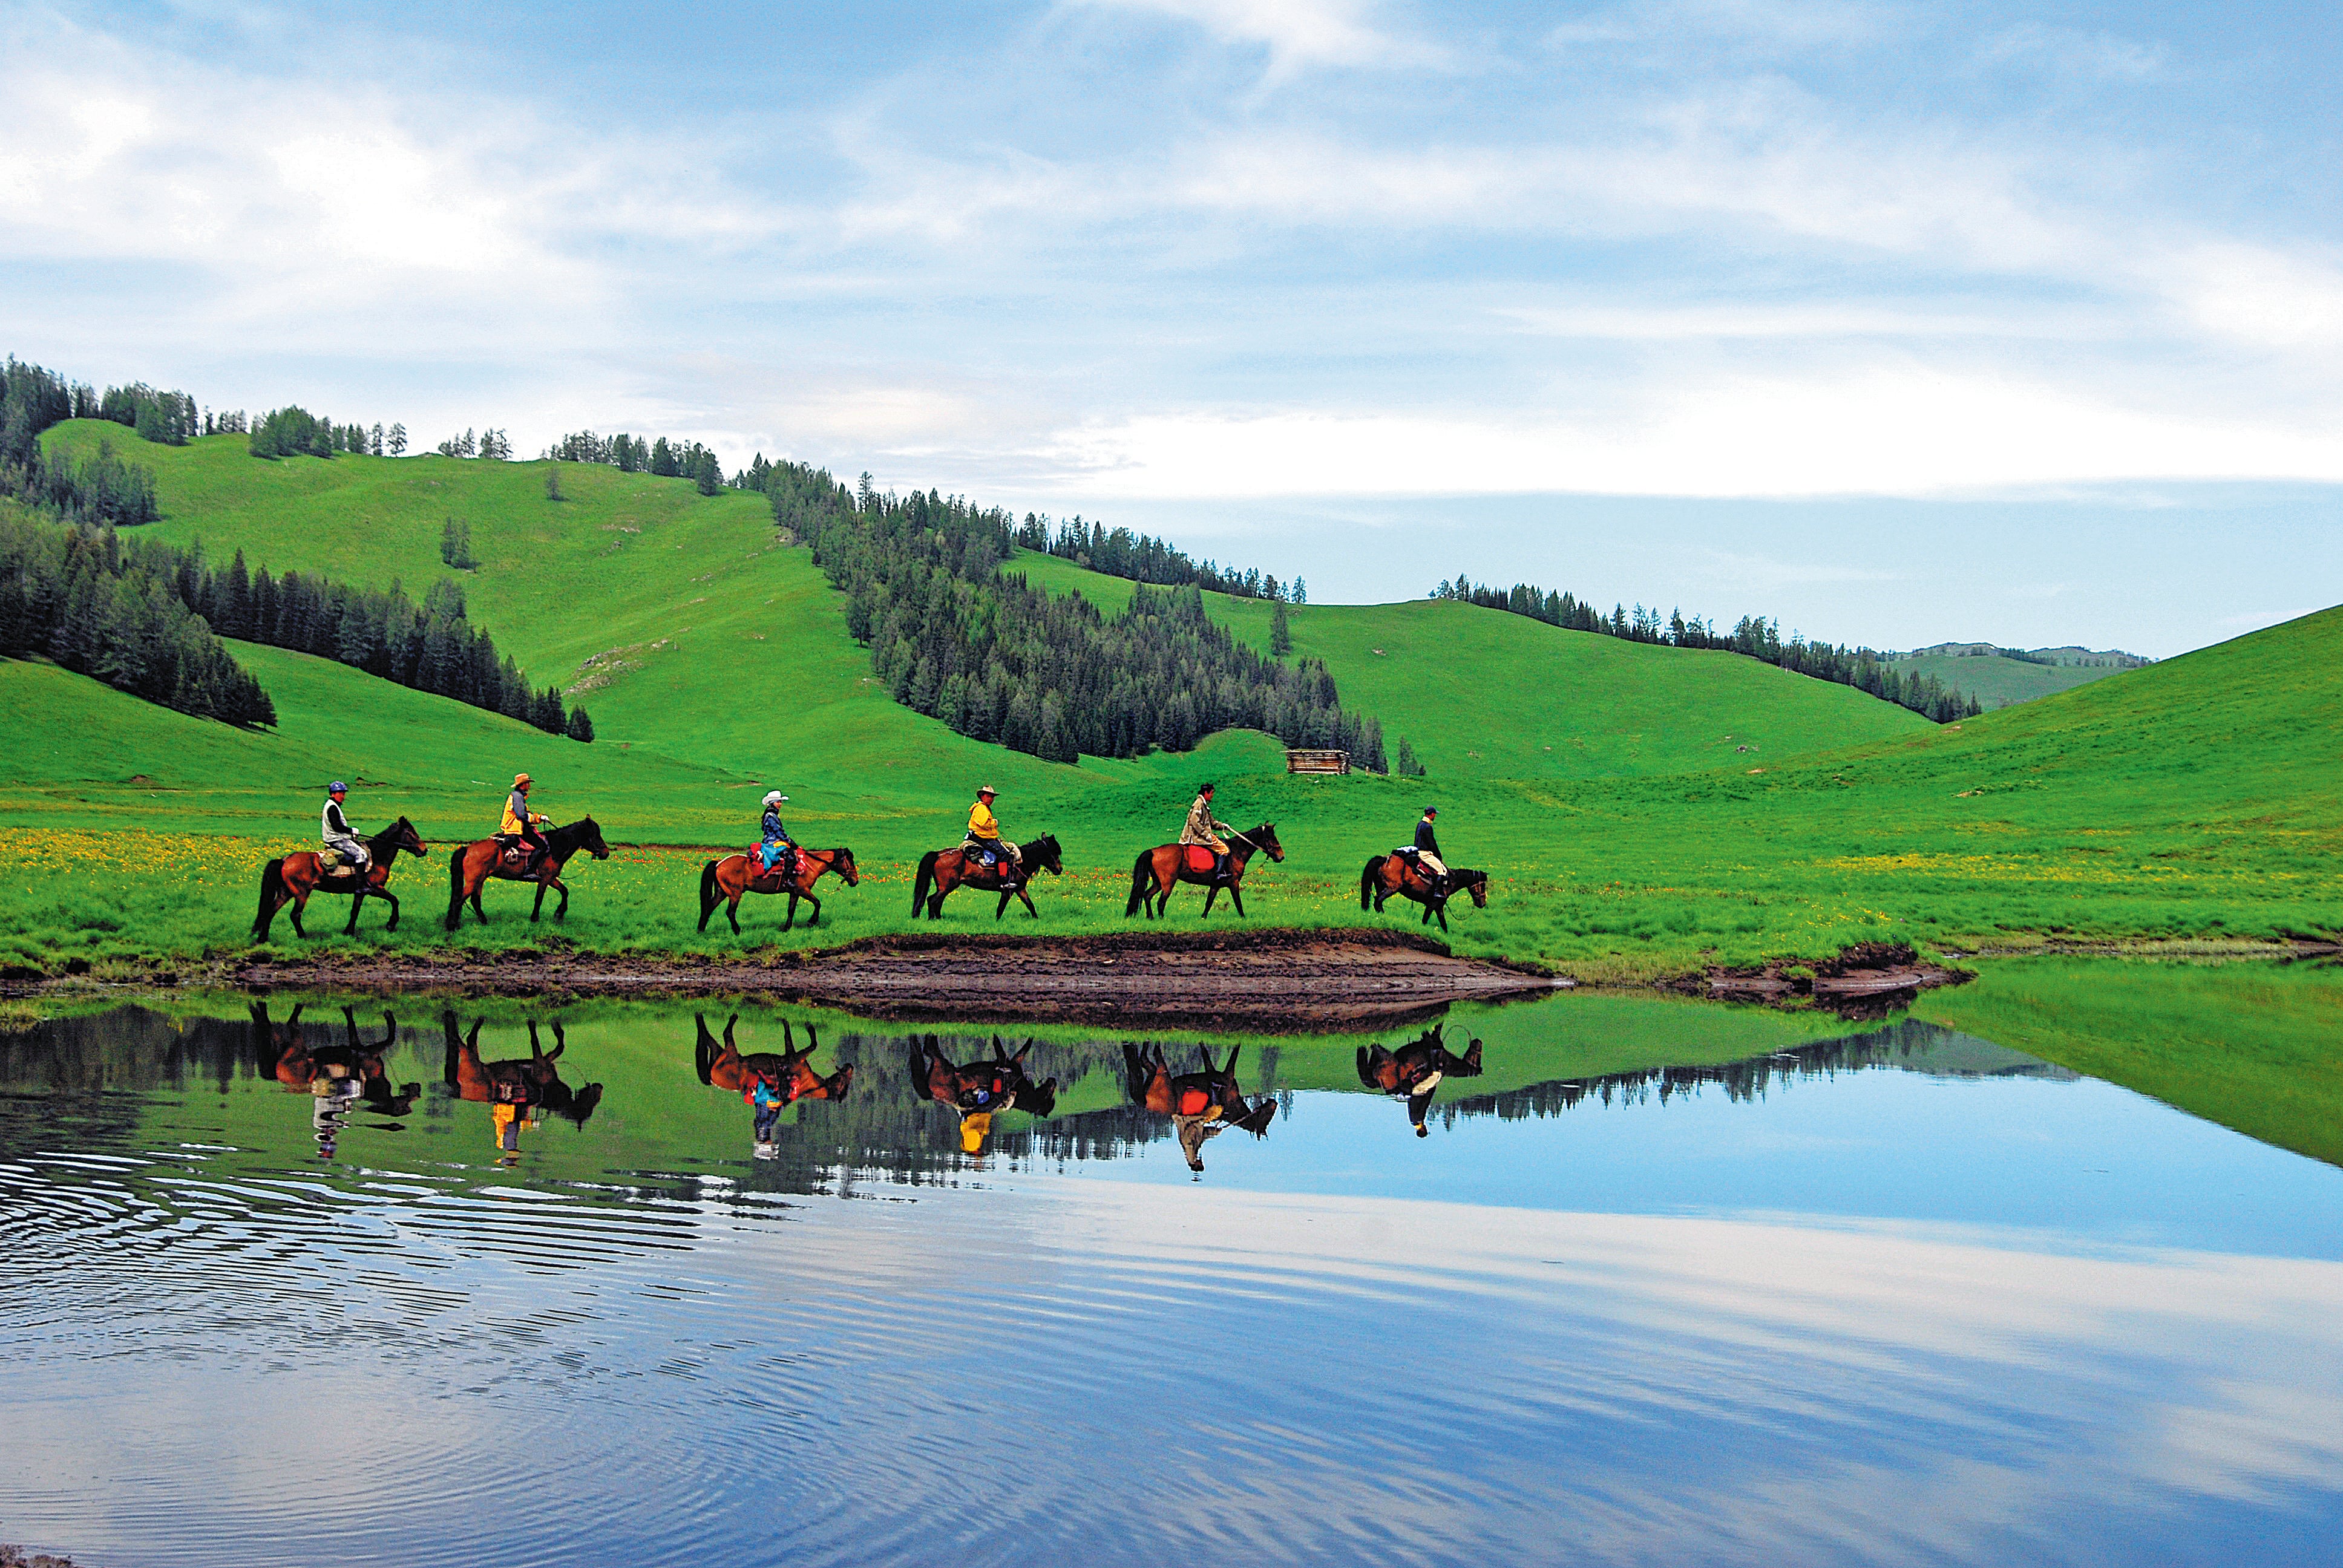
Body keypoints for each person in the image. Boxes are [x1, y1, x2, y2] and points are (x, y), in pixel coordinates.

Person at [964, 785, 1021, 884]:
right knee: (1004, 854)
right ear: (982, 796)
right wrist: (994, 823)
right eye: (989, 796)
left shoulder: (984, 808)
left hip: (984, 836)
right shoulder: (981, 808)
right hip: (981, 837)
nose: (991, 799)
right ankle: (1004, 879)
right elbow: (984, 824)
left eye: (992, 797)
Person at [1181, 781, 1234, 883]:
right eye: (1211, 793)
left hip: (1201, 835)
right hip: (1197, 837)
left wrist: (1223, 826)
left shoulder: (1204, 805)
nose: (1212, 796)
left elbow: (1212, 823)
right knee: (1224, 849)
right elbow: (1194, 821)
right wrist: (1207, 835)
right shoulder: (1199, 804)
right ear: (1206, 793)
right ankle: (1219, 873)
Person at [499, 773, 549, 871]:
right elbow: (522, 815)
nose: (529, 786)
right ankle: (529, 870)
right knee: (542, 846)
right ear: (524, 784)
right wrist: (540, 818)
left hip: (517, 827)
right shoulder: (518, 797)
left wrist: (539, 818)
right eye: (528, 783)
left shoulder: (517, 796)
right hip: (517, 829)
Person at [321, 781, 369, 877]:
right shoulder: (332, 807)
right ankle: (360, 885)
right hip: (336, 840)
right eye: (341, 794)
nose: (343, 797)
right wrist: (351, 831)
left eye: (344, 794)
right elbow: (337, 826)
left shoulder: (332, 805)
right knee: (361, 854)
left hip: (335, 838)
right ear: (333, 794)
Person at [1409, 806, 1450, 894]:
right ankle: (1438, 893)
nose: (1435, 816)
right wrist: (1438, 855)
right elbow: (1431, 843)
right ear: (1432, 814)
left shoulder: (1420, 824)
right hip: (1425, 854)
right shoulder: (1428, 827)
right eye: (1435, 814)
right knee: (1442, 871)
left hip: (1417, 851)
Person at [759, 791, 795, 876]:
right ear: (772, 803)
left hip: (775, 841)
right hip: (772, 843)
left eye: (780, 802)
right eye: (778, 802)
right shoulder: (771, 816)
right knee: (790, 856)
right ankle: (788, 879)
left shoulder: (772, 815)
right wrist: (790, 841)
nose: (780, 804)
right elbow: (779, 832)